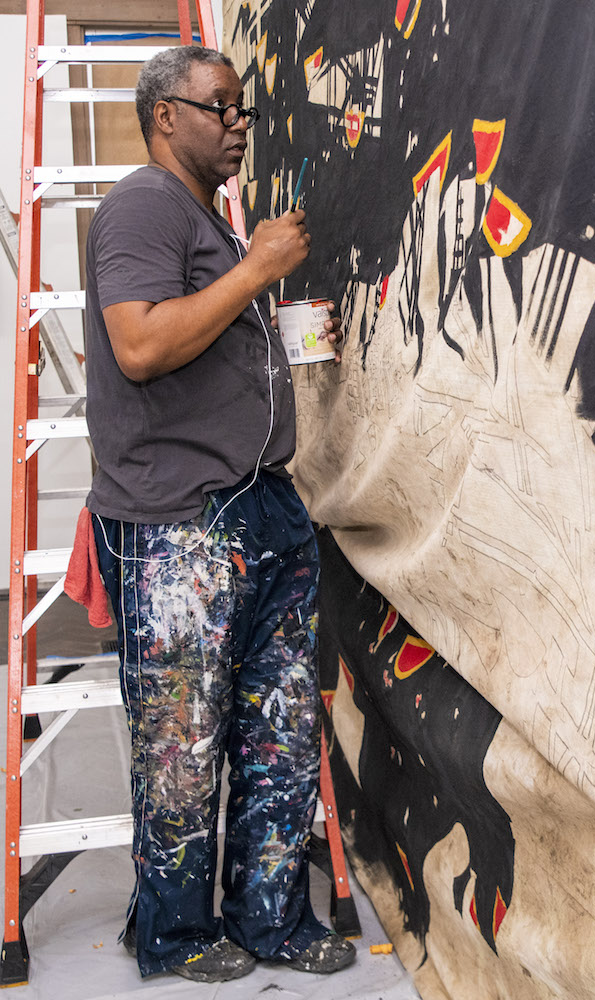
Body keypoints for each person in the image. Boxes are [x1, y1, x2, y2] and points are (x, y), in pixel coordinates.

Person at [84, 45, 354, 984]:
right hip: (180, 527)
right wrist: (258, 270)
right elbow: (141, 345)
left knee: (276, 735)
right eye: (221, 108)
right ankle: (170, 933)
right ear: (167, 116)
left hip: (263, 508)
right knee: (182, 750)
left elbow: (201, 336)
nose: (238, 125)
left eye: (241, 110)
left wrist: (273, 319)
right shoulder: (141, 208)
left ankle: (270, 919)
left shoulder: (204, 218)